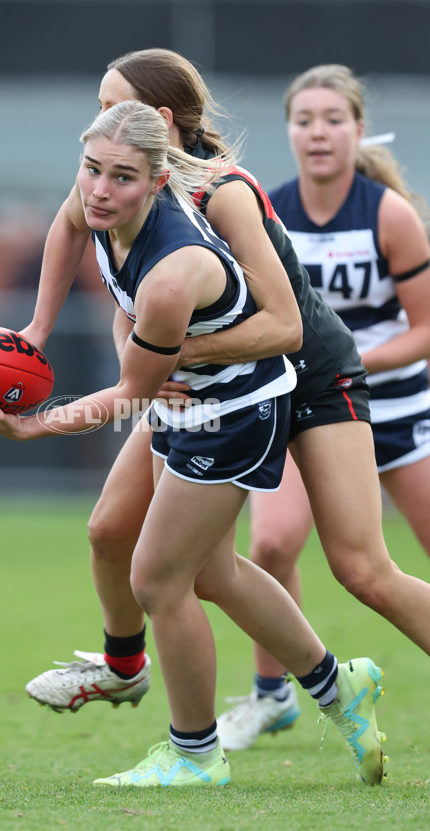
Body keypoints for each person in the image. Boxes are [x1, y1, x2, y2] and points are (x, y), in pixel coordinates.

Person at [0, 100, 386, 787]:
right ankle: (339, 687)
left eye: (121, 177)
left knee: (157, 576)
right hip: (188, 395)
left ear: (157, 182)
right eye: (91, 169)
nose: (98, 189)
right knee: (211, 573)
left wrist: (37, 423)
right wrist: (34, 327)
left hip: (235, 410)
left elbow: (131, 391)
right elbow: (71, 231)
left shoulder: (172, 271)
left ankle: (195, 754)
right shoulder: (97, 203)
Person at [23, 51, 430, 753]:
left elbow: (284, 326)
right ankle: (133, 668)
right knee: (119, 533)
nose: (98, 124)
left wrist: (165, 358)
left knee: (361, 569)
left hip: (303, 374)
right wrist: (40, 330)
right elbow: (84, 239)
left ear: (158, 120)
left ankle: (248, 714)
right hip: (217, 383)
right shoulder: (116, 175)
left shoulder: (220, 191)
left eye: (109, 105)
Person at [216, 64, 430, 751]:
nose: (317, 132)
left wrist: (354, 360)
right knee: (272, 542)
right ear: (289, 132)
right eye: (304, 119)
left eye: (332, 119)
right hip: (310, 404)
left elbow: (426, 328)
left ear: (357, 130)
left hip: (395, 404)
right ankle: (271, 694)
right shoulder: (262, 208)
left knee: (384, 570)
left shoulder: (387, 213)